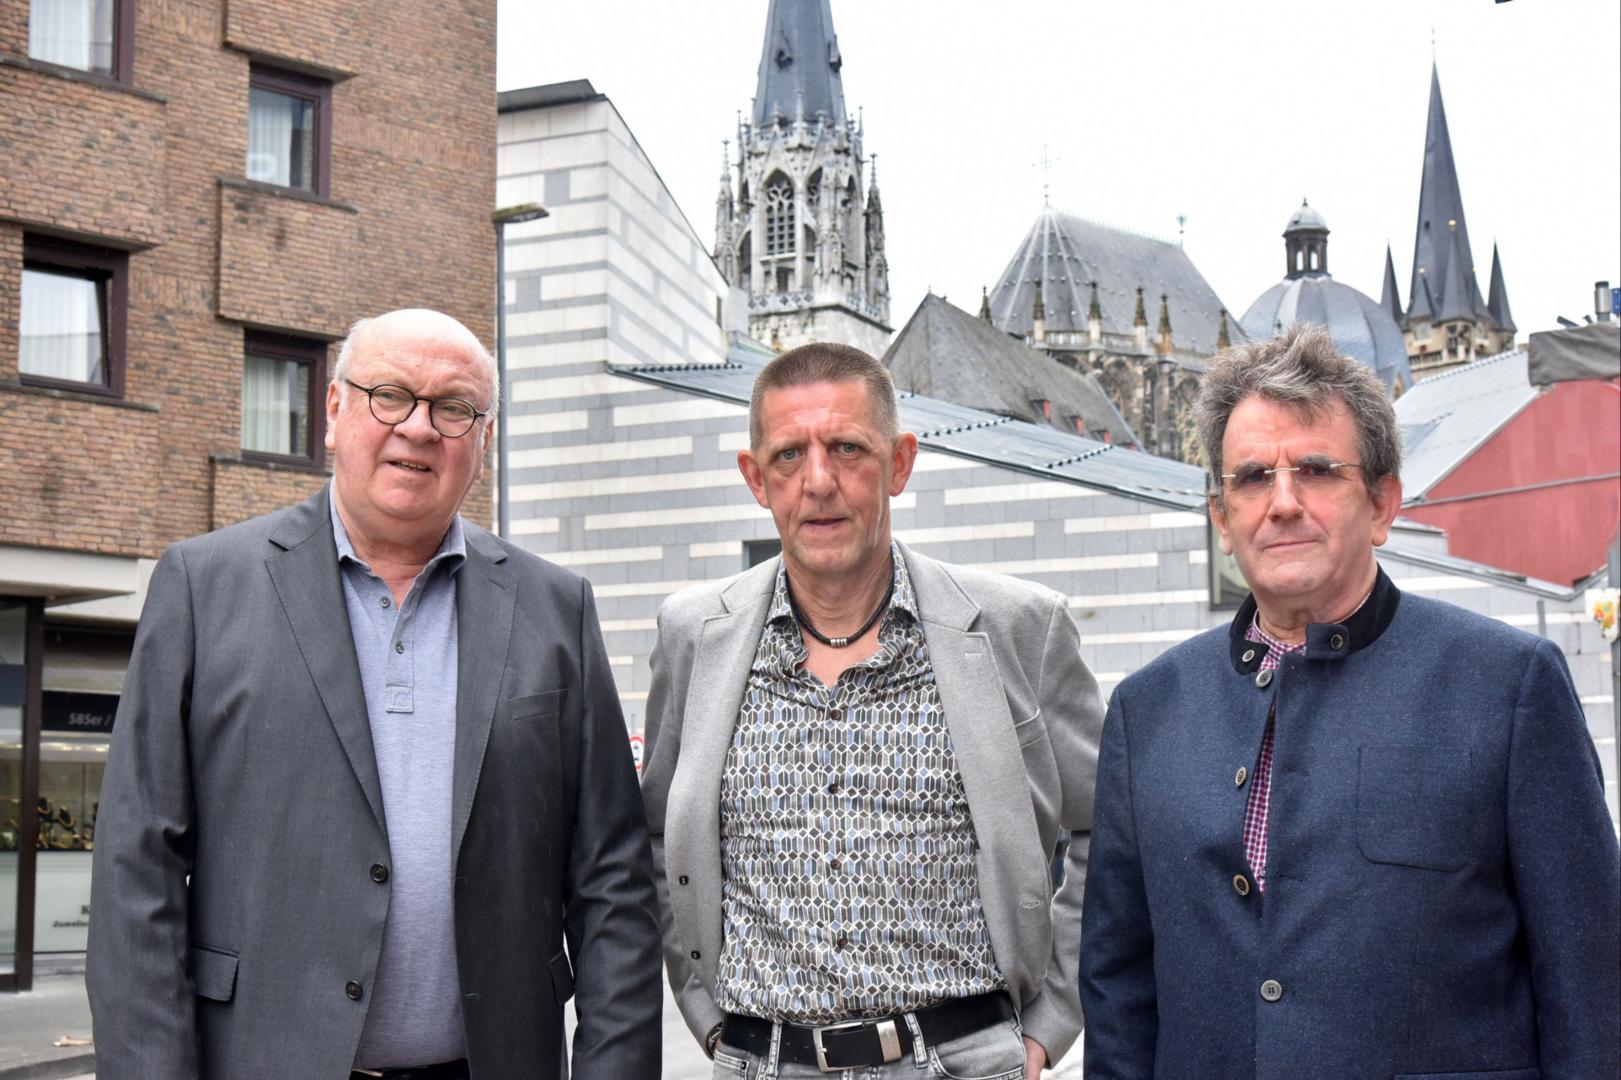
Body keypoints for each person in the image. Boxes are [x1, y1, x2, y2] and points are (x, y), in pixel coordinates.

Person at [88, 309, 661, 1080]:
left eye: (453, 408)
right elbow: (136, 866)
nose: (418, 428)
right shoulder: (202, 587)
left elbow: (612, 883)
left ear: (483, 443)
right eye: (388, 395)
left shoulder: (556, 607)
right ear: (333, 412)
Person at [1080, 324, 1621, 1079]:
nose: (1283, 503)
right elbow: (1117, 990)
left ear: (1380, 503)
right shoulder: (1148, 712)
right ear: (1220, 519)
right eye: (1251, 478)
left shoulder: (1507, 686)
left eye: (1315, 470)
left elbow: (1590, 985)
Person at [640, 342, 1103, 1079]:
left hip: (963, 1061)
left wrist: (1049, 1023)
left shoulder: (1019, 627)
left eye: (847, 448)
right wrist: (701, 1008)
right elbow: (654, 838)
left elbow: (1106, 834)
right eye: (789, 455)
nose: (817, 481)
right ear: (755, 478)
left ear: (899, 463)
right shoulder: (694, 636)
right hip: (762, 1064)